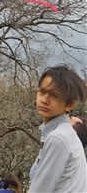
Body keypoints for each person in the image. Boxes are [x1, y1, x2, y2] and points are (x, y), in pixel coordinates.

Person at [29, 65, 87, 193]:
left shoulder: (58, 138)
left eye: (54, 96)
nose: (44, 100)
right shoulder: (63, 134)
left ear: (69, 105)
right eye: (42, 91)